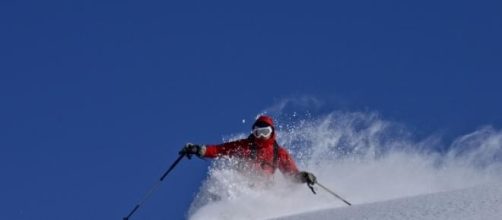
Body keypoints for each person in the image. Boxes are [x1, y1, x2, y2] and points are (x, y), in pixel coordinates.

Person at [180, 115, 316, 185]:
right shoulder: (245, 146)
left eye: (265, 132)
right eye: (258, 132)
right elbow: (219, 150)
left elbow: (291, 175)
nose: (261, 136)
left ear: (272, 132)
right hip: (243, 183)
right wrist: (199, 149)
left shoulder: (278, 153)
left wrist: (304, 177)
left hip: (264, 188)